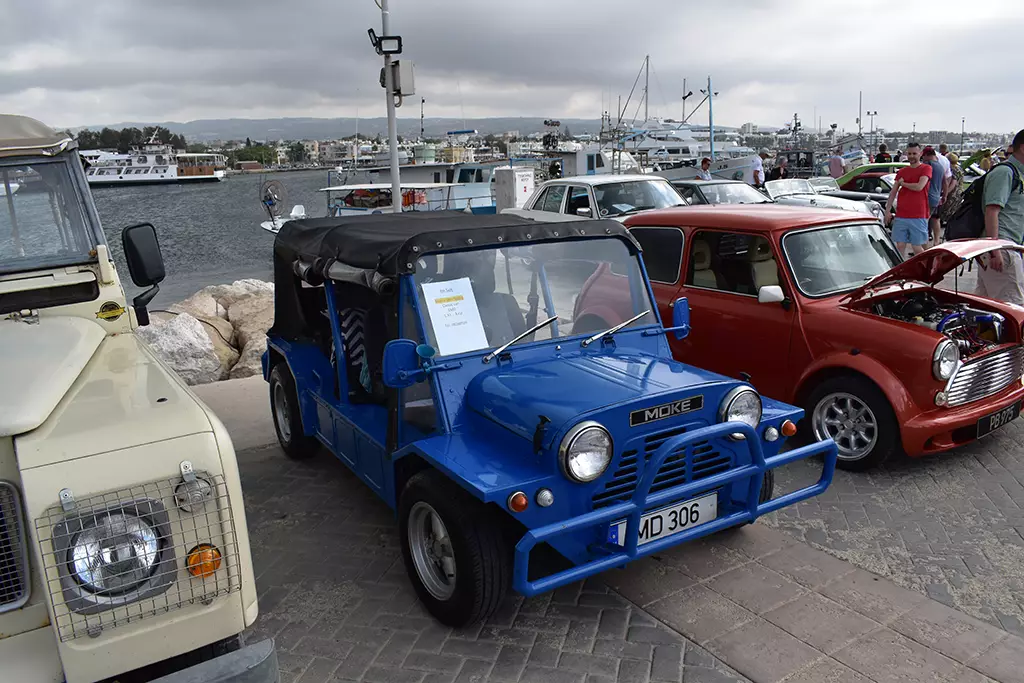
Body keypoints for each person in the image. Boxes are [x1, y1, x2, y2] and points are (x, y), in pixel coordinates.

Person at [977, 129, 1024, 306]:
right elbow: (992, 211)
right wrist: (994, 250)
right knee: (1012, 307)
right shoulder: (1005, 173)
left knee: (987, 305)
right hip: (1002, 247)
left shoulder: (1016, 174)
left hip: (1003, 246)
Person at [884, 142, 932, 256]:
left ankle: (924, 270)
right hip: (901, 215)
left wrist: (903, 184)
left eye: (914, 153)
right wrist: (887, 211)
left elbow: (919, 186)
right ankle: (900, 270)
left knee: (916, 246)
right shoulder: (902, 171)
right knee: (900, 246)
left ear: (920, 154)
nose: (911, 156)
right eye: (909, 153)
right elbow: (893, 192)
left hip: (918, 215)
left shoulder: (926, 168)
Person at [922, 147, 946, 244]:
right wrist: (945, 195)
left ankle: (923, 245)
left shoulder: (928, 165)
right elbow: (945, 182)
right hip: (936, 197)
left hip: (927, 197)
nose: (922, 158)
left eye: (923, 156)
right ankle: (936, 242)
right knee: (935, 219)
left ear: (927, 155)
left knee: (923, 222)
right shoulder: (940, 166)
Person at [939, 152, 965, 227]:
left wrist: (946, 192)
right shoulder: (959, 168)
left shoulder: (952, 169)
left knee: (948, 208)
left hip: (953, 192)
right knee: (954, 209)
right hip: (960, 191)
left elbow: (954, 182)